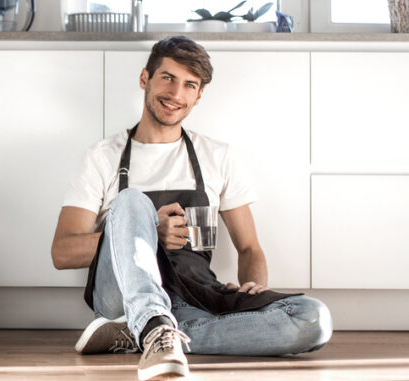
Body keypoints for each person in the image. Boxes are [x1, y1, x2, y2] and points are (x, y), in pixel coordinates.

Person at [50, 36, 333, 381]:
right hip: (119, 301)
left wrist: (252, 285)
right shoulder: (103, 157)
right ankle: (149, 323)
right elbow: (62, 252)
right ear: (145, 79)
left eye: (189, 85)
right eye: (167, 78)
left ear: (199, 96)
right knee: (131, 200)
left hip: (194, 298)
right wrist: (148, 232)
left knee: (312, 318)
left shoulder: (217, 157)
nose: (176, 94)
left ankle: (144, 336)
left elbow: (249, 247)